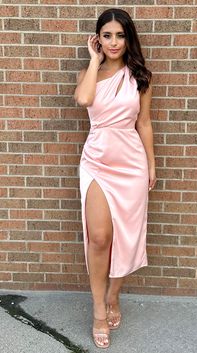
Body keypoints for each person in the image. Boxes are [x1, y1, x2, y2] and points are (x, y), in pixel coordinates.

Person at [74, 8, 156, 349]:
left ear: (129, 38)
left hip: (131, 163)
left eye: (120, 35)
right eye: (106, 35)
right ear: (98, 38)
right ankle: (97, 309)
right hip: (96, 161)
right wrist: (94, 62)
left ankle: (113, 295)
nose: (113, 42)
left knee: (127, 234)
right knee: (99, 237)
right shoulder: (87, 73)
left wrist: (151, 165)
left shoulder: (140, 77)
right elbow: (83, 99)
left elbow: (145, 123)